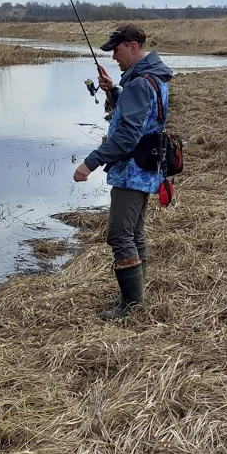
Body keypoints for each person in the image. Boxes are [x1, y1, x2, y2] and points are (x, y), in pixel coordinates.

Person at [73, 22, 173, 320]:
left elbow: (127, 136)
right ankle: (136, 299)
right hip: (146, 168)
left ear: (133, 46)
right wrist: (114, 91)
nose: (114, 58)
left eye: (116, 51)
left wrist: (90, 162)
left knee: (119, 235)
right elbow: (142, 119)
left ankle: (131, 306)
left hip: (133, 170)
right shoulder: (149, 78)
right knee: (134, 232)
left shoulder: (141, 83)